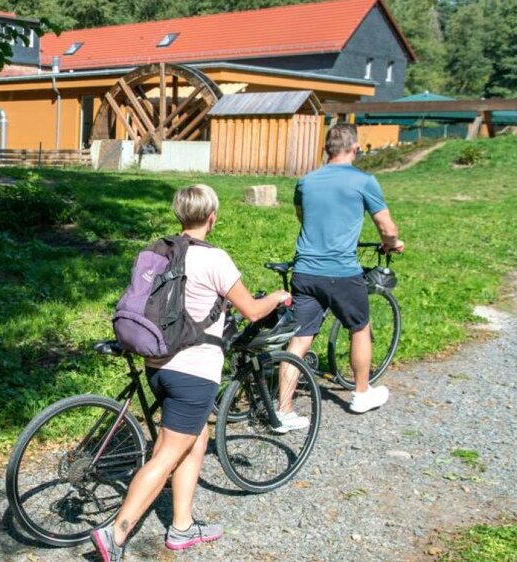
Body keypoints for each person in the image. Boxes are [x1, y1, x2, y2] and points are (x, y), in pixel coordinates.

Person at [91, 184, 291, 561]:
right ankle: (115, 533)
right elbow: (251, 310)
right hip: (193, 373)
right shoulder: (215, 260)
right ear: (212, 217)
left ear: (179, 214)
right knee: (167, 454)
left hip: (158, 366)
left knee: (195, 439)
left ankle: (181, 528)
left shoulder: (159, 250)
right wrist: (277, 298)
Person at [275, 123, 404, 427]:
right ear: (355, 148)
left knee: (300, 339)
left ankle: (283, 410)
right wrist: (391, 244)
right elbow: (387, 228)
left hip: (305, 270)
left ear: (326, 149)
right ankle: (361, 393)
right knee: (359, 327)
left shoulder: (305, 182)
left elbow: (302, 216)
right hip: (342, 272)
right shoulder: (365, 181)